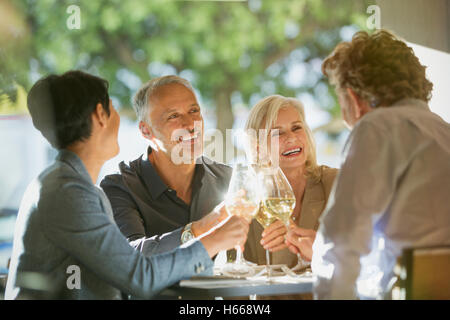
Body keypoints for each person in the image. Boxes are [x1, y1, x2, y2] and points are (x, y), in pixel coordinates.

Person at [5, 71, 249, 300]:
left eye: (194, 110)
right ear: (101, 114)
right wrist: (214, 238)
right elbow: (139, 276)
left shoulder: (70, 185)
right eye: (113, 107)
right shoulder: (69, 192)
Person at [311, 29, 450, 299]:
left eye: (340, 100)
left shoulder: (376, 128)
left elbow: (341, 241)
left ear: (353, 99)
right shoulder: (444, 132)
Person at [100, 76, 233, 258]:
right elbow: (130, 257)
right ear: (146, 131)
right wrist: (198, 229)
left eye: (194, 110)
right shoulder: (121, 187)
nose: (190, 125)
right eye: (173, 116)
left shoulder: (229, 178)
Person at [243, 95, 338, 268]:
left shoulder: (337, 183)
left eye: (296, 128)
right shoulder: (248, 200)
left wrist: (323, 251)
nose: (291, 138)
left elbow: (366, 254)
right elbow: (239, 280)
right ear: (258, 148)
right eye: (278, 133)